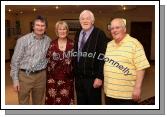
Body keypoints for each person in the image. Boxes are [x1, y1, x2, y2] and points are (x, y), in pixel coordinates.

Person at [103, 18, 150, 105]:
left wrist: (137, 88)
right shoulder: (109, 45)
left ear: (124, 29)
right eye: (112, 28)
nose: (114, 30)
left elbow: (141, 67)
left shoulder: (135, 44)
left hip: (127, 95)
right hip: (109, 93)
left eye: (117, 27)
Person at [10, 15, 51, 104]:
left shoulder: (48, 41)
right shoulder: (22, 40)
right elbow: (15, 62)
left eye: (42, 25)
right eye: (38, 25)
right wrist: (15, 80)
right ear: (33, 26)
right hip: (25, 76)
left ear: (45, 27)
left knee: (38, 103)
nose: (40, 28)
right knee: (23, 103)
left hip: (41, 76)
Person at [73, 10, 108, 105]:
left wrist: (100, 77)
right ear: (80, 21)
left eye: (88, 18)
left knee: (94, 105)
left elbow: (103, 57)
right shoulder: (78, 33)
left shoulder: (100, 34)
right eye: (82, 19)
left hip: (93, 79)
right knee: (81, 103)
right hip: (79, 78)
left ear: (93, 21)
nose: (85, 21)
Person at [45, 21, 74, 105]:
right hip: (52, 80)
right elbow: (47, 61)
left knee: (66, 102)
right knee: (52, 102)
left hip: (67, 80)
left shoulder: (72, 44)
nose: (62, 31)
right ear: (57, 31)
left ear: (67, 30)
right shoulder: (51, 44)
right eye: (60, 29)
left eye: (64, 29)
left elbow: (75, 62)